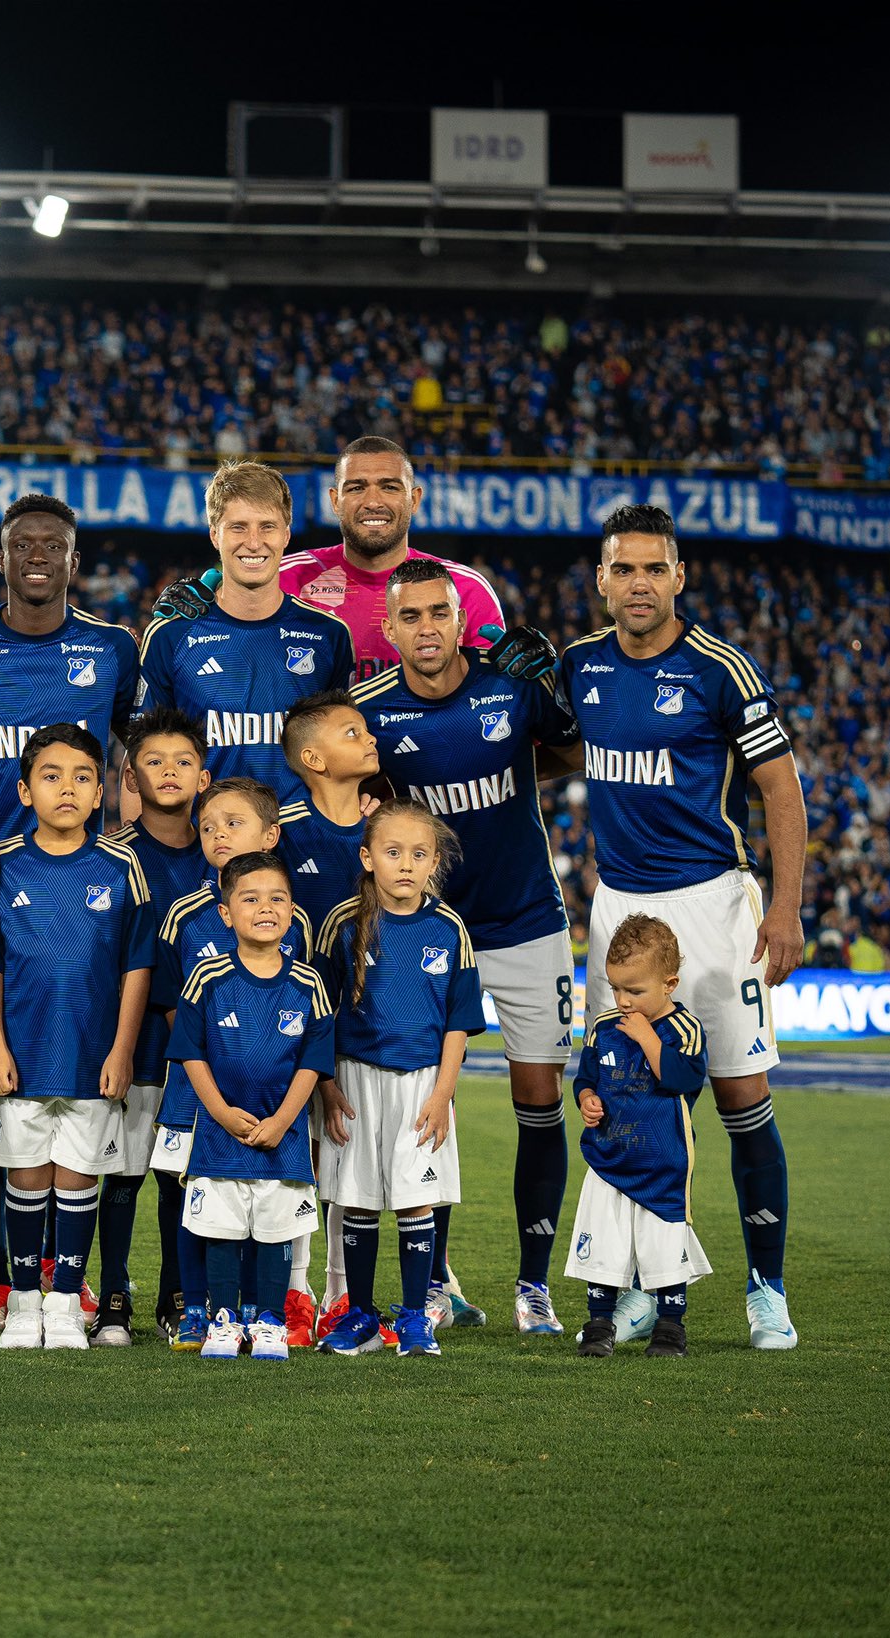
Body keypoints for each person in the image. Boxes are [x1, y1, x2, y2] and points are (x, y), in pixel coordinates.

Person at [559, 503, 806, 1350]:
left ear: (678, 577)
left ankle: (766, 1287)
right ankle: (639, 1286)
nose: (638, 584)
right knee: (624, 1101)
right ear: (601, 579)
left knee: (739, 1096)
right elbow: (554, 745)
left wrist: (784, 905)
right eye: (622, 569)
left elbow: (780, 786)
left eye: (653, 569)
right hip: (619, 908)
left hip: (710, 904)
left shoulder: (718, 668)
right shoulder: (580, 667)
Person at [0, 493, 139, 1332]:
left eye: (55, 544)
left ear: (74, 560)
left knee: (81, 1100)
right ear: (1, 558)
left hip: (82, 912)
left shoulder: (113, 649)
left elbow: (134, 752)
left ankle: (69, 1282)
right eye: (24, 545)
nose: (39, 555)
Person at [353, 557, 581, 1336]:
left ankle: (533, 1286)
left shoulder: (508, 687)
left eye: (439, 614)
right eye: (410, 616)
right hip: (427, 930)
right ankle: (439, 1284)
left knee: (540, 1100)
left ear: (462, 618)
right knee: (424, 1099)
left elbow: (576, 748)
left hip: (525, 921)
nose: (426, 628)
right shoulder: (369, 709)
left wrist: (552, 689)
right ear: (388, 630)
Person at [0, 724, 155, 1350]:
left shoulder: (121, 863)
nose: (68, 788)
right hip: (21, 1054)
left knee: (78, 1175)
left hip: (92, 1052)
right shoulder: (2, 863)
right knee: (25, 1176)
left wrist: (123, 1049)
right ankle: (24, 1304)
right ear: (25, 790)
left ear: (101, 790)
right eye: (51, 776)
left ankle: (63, 1303)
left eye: (83, 776)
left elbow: (137, 964)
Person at [314, 801, 487, 1359]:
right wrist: (326, 1085)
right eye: (393, 853)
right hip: (354, 1080)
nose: (406, 865)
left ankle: (414, 1318)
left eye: (419, 854)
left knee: (415, 1202)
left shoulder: (449, 927)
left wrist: (443, 1095)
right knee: (358, 1201)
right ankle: (361, 1316)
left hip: (423, 1086)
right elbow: (319, 1012)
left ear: (435, 861)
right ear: (368, 858)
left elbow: (459, 1023)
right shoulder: (343, 924)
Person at [152, 779, 319, 1348]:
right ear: (228, 912)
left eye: (234, 822)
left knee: (262, 1199)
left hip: (275, 1100)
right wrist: (216, 1093)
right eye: (208, 826)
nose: (219, 833)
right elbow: (176, 1015)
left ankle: (259, 1310)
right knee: (196, 1197)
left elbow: (307, 1018)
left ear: (271, 835)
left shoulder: (296, 925)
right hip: (198, 1096)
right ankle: (196, 1306)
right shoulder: (185, 915)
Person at [94, 706, 211, 1345]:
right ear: (131, 779)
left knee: (177, 1174)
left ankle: (175, 1292)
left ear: (204, 774)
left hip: (201, 1058)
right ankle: (113, 1293)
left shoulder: (225, 858)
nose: (170, 772)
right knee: (123, 1173)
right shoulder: (112, 859)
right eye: (154, 762)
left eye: (183, 761)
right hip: (130, 1049)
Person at [135, 461, 353, 800]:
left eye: (267, 527)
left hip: (302, 844)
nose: (254, 543)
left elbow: (345, 757)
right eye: (238, 527)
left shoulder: (329, 635)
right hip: (207, 842)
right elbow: (143, 758)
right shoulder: (171, 636)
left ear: (286, 534)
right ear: (214, 534)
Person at [568, 915, 711, 1359]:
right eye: (615, 989)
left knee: (664, 1248)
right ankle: (599, 1325)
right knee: (603, 1245)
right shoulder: (604, 1026)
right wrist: (587, 1097)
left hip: (662, 1162)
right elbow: (584, 1077)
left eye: (635, 991)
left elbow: (683, 1081)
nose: (622, 1001)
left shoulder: (683, 1030)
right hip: (609, 1158)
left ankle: (669, 1328)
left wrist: (649, 1039)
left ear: (669, 983)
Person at [281, 436, 507, 680]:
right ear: (335, 501)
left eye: (389, 487)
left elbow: (491, 696)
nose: (373, 502)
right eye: (357, 488)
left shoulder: (466, 588)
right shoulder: (285, 580)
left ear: (414, 499)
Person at [276, 692, 380, 930]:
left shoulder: (385, 826)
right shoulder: (282, 833)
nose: (371, 739)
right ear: (314, 759)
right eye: (353, 733)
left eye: (367, 730)